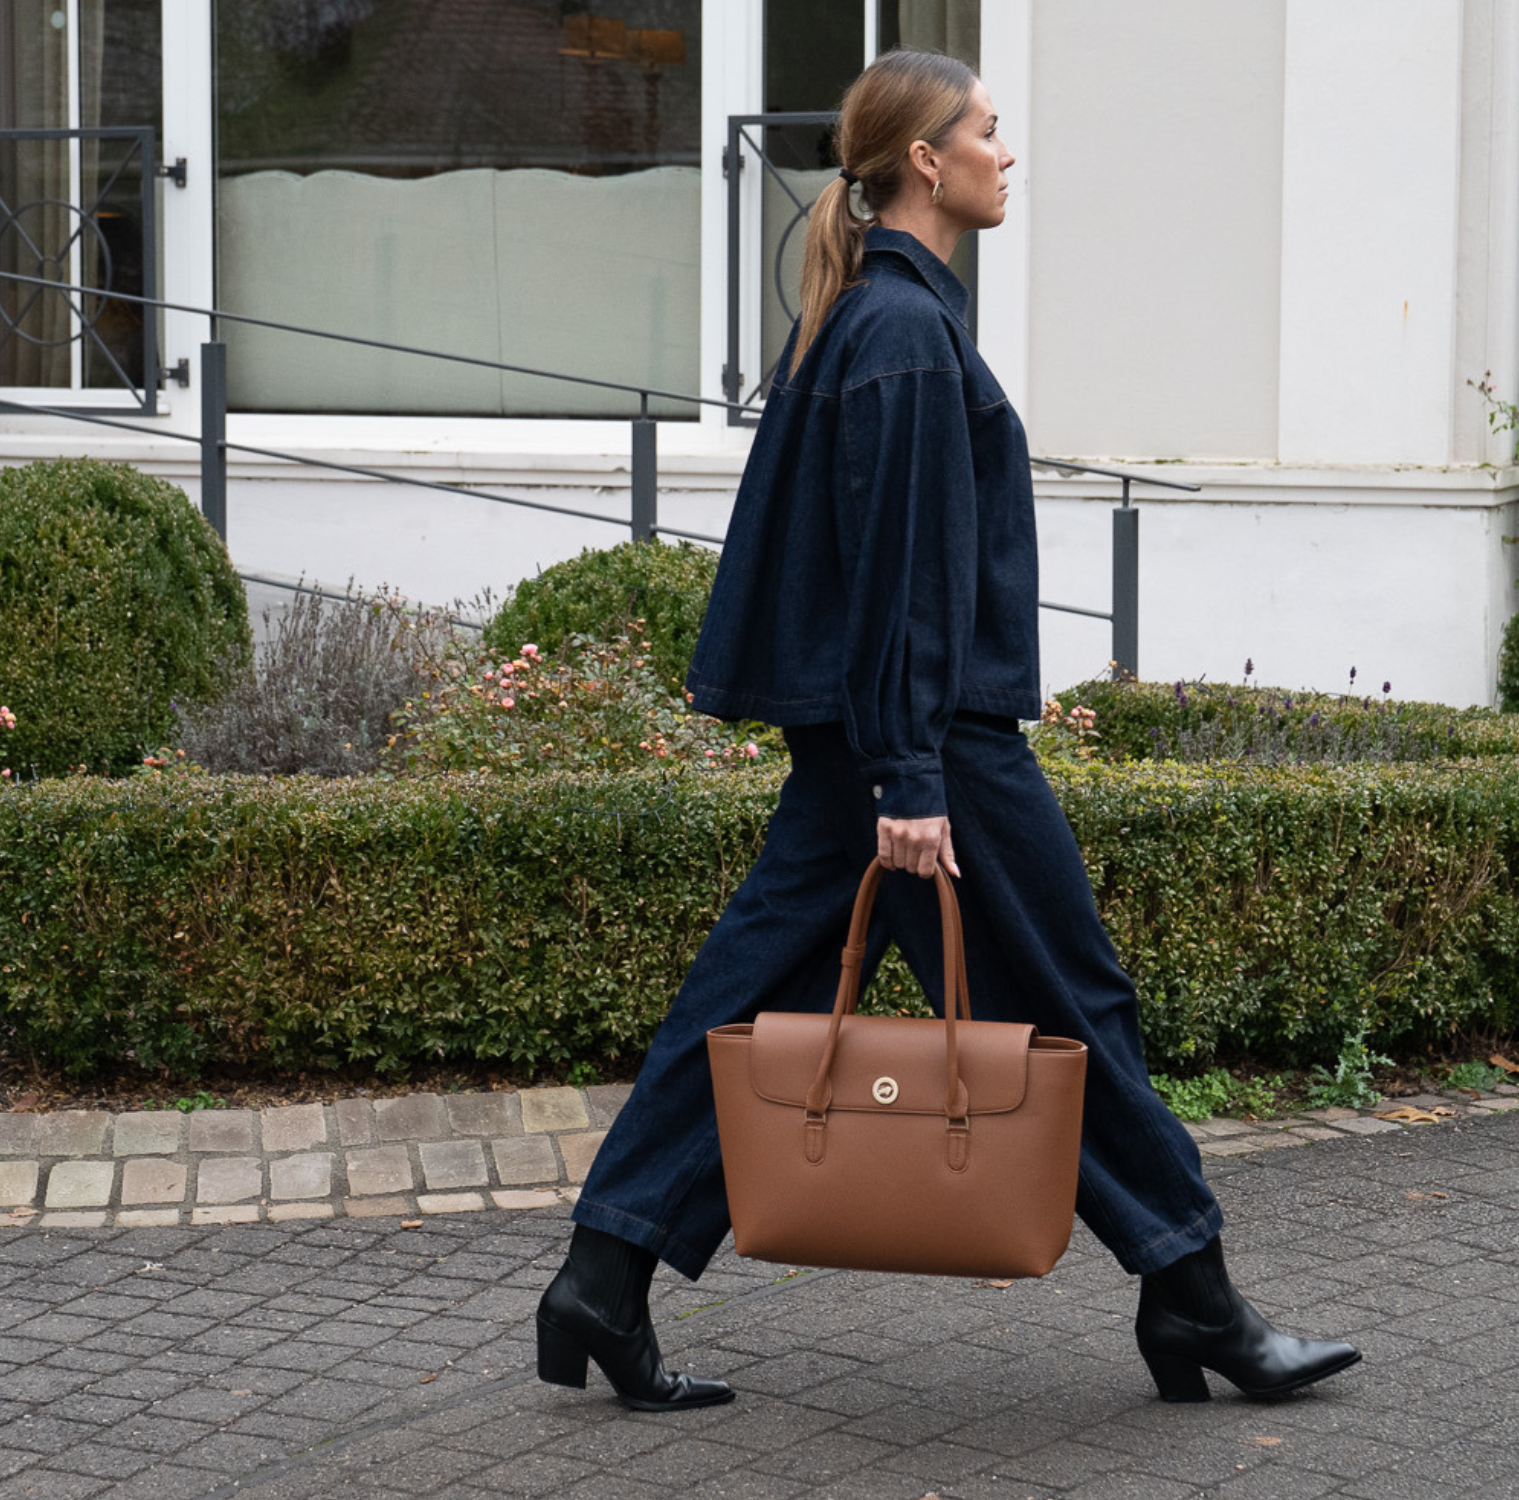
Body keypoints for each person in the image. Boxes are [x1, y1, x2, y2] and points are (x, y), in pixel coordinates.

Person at [534, 50, 1361, 1413]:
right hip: (933, 752)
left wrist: (882, 763)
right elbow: (900, 577)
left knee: (754, 1002)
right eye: (987, 130)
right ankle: (1196, 1300)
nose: (1004, 153)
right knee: (1072, 1006)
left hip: (877, 745)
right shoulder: (906, 337)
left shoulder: (871, 317)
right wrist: (910, 780)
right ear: (927, 161)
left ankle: (601, 1279)